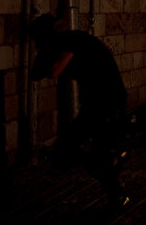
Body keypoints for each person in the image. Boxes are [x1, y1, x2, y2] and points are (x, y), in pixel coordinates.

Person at [29, 14, 130, 209]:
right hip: (96, 104)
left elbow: (54, 71)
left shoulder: (71, 40)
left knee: (92, 154)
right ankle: (113, 160)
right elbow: (36, 74)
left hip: (108, 102)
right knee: (67, 150)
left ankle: (116, 181)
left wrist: (47, 50)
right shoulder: (64, 42)